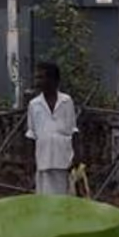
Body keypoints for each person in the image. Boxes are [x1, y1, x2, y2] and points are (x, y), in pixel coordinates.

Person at [26, 61, 77, 196]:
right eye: (37, 77)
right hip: (43, 159)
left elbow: (73, 130)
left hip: (63, 159)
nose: (38, 81)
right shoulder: (34, 105)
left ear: (53, 80)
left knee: (64, 197)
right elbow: (31, 135)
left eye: (41, 77)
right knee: (45, 197)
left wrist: (77, 157)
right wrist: (30, 162)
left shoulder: (66, 101)